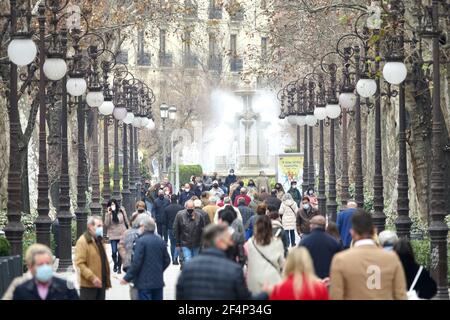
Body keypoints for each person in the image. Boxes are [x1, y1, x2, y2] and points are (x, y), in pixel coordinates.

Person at [176, 224, 270, 300]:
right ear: (219, 242)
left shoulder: (187, 268)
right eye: (229, 240)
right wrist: (264, 294)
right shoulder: (234, 270)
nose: (232, 243)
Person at [329, 209, 407, 300]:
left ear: (352, 233)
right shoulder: (392, 258)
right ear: (374, 231)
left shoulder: (340, 260)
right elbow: (401, 295)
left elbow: (336, 296)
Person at [121, 215, 171, 300]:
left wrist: (127, 278)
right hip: (158, 282)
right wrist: (159, 269)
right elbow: (167, 260)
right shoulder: (160, 241)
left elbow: (136, 262)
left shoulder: (141, 241)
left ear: (144, 227)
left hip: (144, 282)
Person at [11, 244, 78, 300]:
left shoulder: (66, 288)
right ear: (30, 267)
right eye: (40, 264)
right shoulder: (21, 291)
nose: (45, 267)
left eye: (48, 263)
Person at [245, 215, 285, 294]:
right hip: (272, 277)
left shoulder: (250, 242)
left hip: (254, 278)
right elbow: (281, 262)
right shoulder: (277, 242)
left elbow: (247, 261)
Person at [75, 216, 111, 300]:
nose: (101, 228)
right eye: (98, 226)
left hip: (101, 282)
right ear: (90, 227)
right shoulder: (83, 241)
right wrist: (92, 277)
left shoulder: (99, 240)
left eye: (101, 226)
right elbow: (80, 263)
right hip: (89, 285)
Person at [118, 215, 144, 300]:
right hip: (138, 263)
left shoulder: (127, 233)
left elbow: (120, 246)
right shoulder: (143, 231)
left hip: (130, 263)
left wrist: (125, 257)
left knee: (133, 285)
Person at [173, 200, 207, 265]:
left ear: (194, 207)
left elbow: (203, 229)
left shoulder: (199, 216)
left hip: (196, 243)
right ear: (185, 207)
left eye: (192, 208)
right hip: (185, 242)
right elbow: (176, 229)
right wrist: (177, 243)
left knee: (195, 260)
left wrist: (203, 242)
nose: (190, 210)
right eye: (188, 208)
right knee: (187, 259)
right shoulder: (180, 215)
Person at [105, 198, 129, 274]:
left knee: (120, 252)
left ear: (116, 204)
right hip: (112, 235)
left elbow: (126, 220)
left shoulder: (121, 211)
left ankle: (119, 267)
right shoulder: (108, 213)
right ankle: (115, 263)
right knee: (114, 251)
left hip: (122, 234)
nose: (113, 206)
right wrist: (108, 214)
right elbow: (106, 224)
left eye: (114, 204)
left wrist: (130, 229)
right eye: (111, 204)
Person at [164, 194, 184, 265]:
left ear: (170, 200)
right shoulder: (181, 208)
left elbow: (165, 220)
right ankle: (178, 257)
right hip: (179, 228)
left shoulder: (167, 208)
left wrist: (166, 229)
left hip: (170, 228)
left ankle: (173, 258)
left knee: (172, 243)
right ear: (177, 199)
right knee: (179, 243)